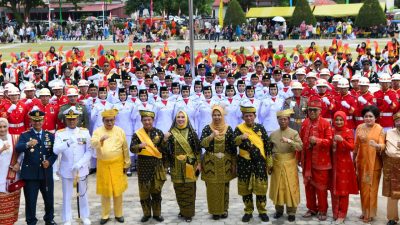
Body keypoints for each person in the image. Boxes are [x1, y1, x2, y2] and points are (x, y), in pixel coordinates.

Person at [16, 110, 57, 225]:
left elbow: (55, 152)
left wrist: (49, 161)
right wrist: (28, 144)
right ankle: (31, 221)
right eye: (35, 121)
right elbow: (18, 148)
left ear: (43, 121)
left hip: (45, 173)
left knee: (49, 198)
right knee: (30, 200)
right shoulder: (25, 135)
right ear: (31, 121)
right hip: (30, 173)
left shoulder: (50, 135)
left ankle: (49, 219)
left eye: (39, 121)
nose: (37, 123)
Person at [53, 107, 93, 225]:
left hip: (81, 168)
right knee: (67, 195)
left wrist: (80, 163)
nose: (72, 121)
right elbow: (56, 150)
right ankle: (67, 218)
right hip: (67, 169)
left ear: (78, 119)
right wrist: (68, 142)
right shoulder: (60, 133)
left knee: (83, 194)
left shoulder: (84, 132)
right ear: (65, 119)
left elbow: (89, 151)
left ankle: (85, 216)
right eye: (69, 119)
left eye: (74, 119)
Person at [91, 109, 131, 224]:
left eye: (111, 120)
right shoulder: (98, 131)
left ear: (115, 120)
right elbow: (92, 143)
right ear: (103, 121)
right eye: (107, 121)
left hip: (117, 164)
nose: (109, 123)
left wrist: (126, 163)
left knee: (117, 191)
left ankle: (119, 214)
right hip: (103, 165)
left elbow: (125, 148)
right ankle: (105, 215)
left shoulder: (120, 131)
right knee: (105, 191)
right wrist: (100, 140)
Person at [234, 105, 272, 222]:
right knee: (246, 189)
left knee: (260, 187)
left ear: (255, 116)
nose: (249, 118)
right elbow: (233, 143)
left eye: (251, 115)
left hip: (259, 161)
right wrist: (241, 137)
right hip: (244, 162)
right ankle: (248, 211)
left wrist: (269, 162)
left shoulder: (260, 128)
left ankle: (262, 211)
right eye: (246, 116)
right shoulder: (239, 129)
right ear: (243, 117)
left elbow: (267, 145)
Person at [200, 105, 237, 220]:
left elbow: (232, 147)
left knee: (225, 186)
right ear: (212, 116)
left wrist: (233, 163)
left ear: (222, 115)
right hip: (210, 162)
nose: (216, 117)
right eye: (214, 115)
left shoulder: (228, 128)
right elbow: (202, 144)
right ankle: (215, 211)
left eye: (219, 114)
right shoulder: (207, 128)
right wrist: (211, 136)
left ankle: (224, 209)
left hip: (225, 162)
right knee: (211, 187)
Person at [165, 110, 201, 222]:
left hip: (190, 165)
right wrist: (165, 139)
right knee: (179, 189)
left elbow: (198, 150)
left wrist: (199, 163)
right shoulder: (171, 132)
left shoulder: (191, 132)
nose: (180, 119)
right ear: (175, 119)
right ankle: (182, 210)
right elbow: (165, 150)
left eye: (182, 117)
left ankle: (189, 213)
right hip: (176, 165)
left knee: (189, 189)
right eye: (178, 117)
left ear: (186, 119)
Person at [130, 110, 166, 223]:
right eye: (144, 120)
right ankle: (146, 214)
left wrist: (164, 140)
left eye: (149, 120)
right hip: (143, 166)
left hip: (156, 166)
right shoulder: (137, 134)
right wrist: (139, 146)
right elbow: (132, 148)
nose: (147, 122)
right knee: (144, 192)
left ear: (153, 120)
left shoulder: (159, 132)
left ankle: (157, 214)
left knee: (156, 191)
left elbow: (164, 149)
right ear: (141, 121)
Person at [300, 98, 333, 221]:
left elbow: (330, 141)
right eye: (310, 110)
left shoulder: (325, 124)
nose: (312, 112)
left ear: (320, 111)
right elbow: (301, 140)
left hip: (321, 162)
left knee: (321, 187)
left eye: (315, 110)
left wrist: (318, 141)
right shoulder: (305, 123)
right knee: (308, 186)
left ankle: (323, 210)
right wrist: (299, 157)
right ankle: (312, 208)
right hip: (306, 160)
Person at [269, 109, 303, 222]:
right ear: (277, 120)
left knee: (290, 187)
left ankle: (291, 212)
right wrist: (269, 165)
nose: (283, 121)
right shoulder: (273, 134)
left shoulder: (294, 133)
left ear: (288, 120)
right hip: (277, 163)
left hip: (290, 164)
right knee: (278, 188)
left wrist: (289, 141)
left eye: (285, 119)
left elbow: (300, 147)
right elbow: (269, 151)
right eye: (280, 119)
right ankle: (278, 210)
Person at [354, 105, 385, 223]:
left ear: (376, 117)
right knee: (363, 189)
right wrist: (353, 158)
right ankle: (364, 211)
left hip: (375, 165)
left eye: (371, 116)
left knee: (372, 189)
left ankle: (370, 214)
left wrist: (377, 146)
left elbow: (383, 145)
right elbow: (356, 145)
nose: (368, 118)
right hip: (361, 163)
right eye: (366, 116)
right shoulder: (359, 127)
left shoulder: (380, 129)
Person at [331, 111, 358, 224]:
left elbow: (352, 147)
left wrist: (342, 140)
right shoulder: (331, 130)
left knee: (343, 189)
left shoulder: (348, 131)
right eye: (336, 120)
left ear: (345, 120)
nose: (339, 122)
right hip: (333, 163)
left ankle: (342, 213)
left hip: (344, 164)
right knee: (334, 189)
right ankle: (335, 212)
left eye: (341, 119)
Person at [0, 118, 23, 225]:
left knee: (12, 207)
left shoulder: (15, 138)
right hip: (0, 178)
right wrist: (2, 149)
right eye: (0, 127)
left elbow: (22, 154)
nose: (2, 129)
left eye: (4, 126)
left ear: (8, 127)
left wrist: (18, 163)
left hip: (13, 178)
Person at [383, 112, 400, 225]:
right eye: (398, 120)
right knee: (392, 194)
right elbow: (388, 151)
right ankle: (392, 218)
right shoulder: (389, 133)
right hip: (392, 167)